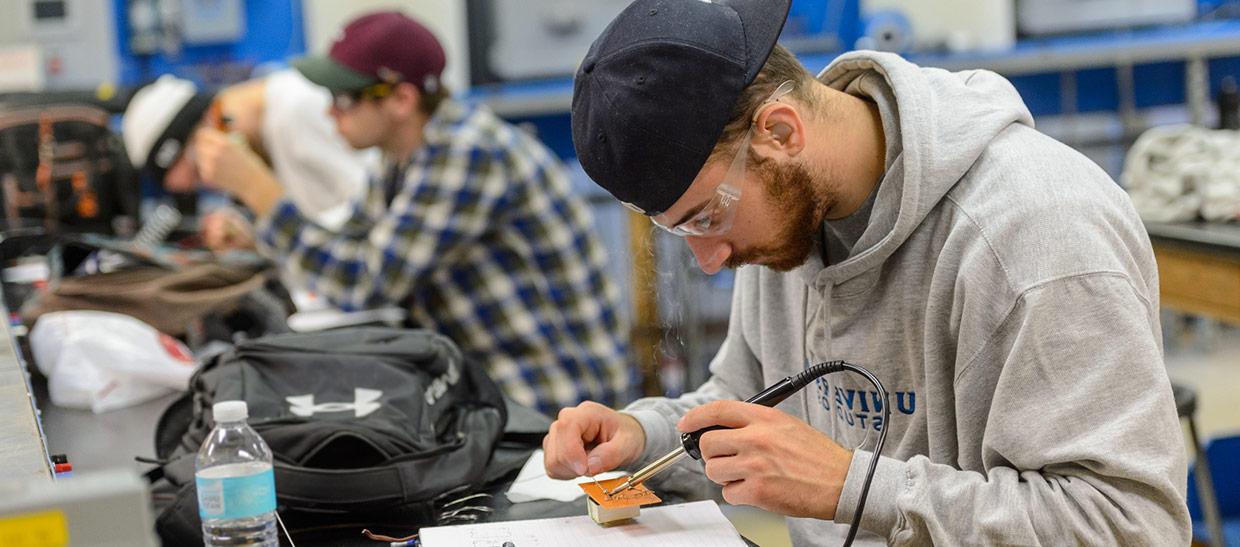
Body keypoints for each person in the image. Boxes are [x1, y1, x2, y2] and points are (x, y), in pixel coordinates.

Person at [543, 0, 1190, 544]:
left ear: (781, 132)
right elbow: (747, 401)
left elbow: (1130, 522)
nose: (709, 259)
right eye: (680, 229)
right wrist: (642, 437)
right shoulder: (785, 215)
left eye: (707, 217)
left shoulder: (1035, 233)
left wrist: (849, 485)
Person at [188, 11, 635, 413]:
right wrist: (259, 237)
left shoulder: (466, 152)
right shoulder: (402, 155)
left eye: (344, 99)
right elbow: (351, 241)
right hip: (490, 376)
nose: (329, 113)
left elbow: (363, 281)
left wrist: (259, 190)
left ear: (400, 99)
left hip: (554, 395)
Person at [122, 69, 374, 245]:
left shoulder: (299, 108)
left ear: (215, 120)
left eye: (200, 169)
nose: (213, 181)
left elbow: (370, 223)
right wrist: (258, 243)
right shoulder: (267, 139)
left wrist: (256, 188)